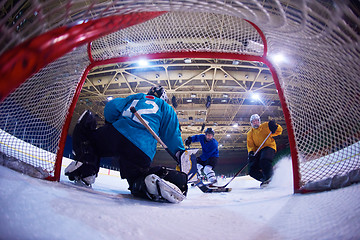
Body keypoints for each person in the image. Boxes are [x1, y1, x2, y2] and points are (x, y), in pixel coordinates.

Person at [65, 86, 188, 203]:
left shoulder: (137, 97)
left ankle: (86, 170)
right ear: (164, 98)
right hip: (142, 148)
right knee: (137, 178)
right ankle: (147, 182)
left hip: (117, 133)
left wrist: (110, 123)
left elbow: (111, 107)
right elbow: (172, 134)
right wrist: (179, 152)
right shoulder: (166, 107)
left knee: (90, 141)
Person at [247, 114, 283, 187]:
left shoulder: (266, 126)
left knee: (264, 160)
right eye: (253, 121)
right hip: (259, 151)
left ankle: (270, 177)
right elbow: (251, 145)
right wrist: (251, 153)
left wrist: (275, 127)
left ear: (259, 121)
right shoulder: (250, 133)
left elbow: (279, 131)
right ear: (251, 123)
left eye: (256, 121)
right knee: (252, 170)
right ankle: (265, 179)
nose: (255, 122)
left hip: (269, 147)